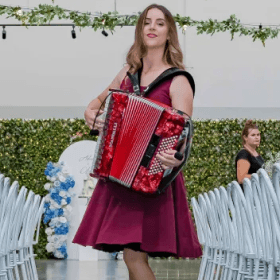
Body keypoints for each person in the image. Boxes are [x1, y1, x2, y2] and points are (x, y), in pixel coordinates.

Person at [72, 4, 202, 280]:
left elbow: (183, 135)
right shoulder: (128, 73)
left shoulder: (178, 81)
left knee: (132, 255)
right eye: (147, 22)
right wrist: (91, 113)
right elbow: (97, 102)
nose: (152, 27)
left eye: (159, 23)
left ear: (169, 33)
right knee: (133, 254)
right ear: (140, 30)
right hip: (118, 173)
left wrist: (173, 156)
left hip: (152, 178)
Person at [235, 120, 265, 189]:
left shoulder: (257, 154)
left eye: (258, 135)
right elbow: (241, 178)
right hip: (249, 196)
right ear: (245, 137)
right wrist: (261, 176)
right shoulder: (244, 154)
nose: (257, 137)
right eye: (253, 135)